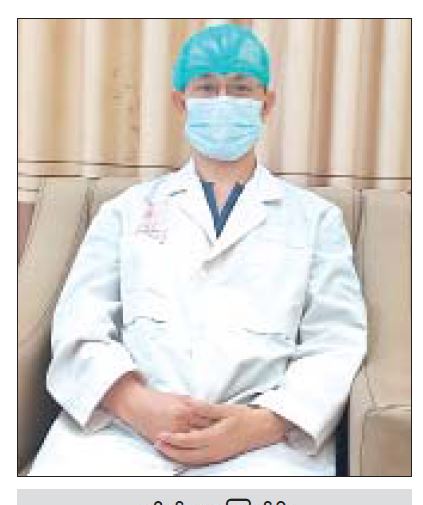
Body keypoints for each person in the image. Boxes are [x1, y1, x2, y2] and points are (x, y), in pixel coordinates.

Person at [28, 23, 367, 476]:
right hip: (121, 434)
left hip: (263, 442)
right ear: (180, 102)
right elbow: (80, 322)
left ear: (267, 104)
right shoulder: (124, 211)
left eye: (241, 88)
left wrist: (261, 425)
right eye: (206, 88)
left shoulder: (317, 220)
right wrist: (134, 403)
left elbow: (335, 341)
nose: (223, 100)